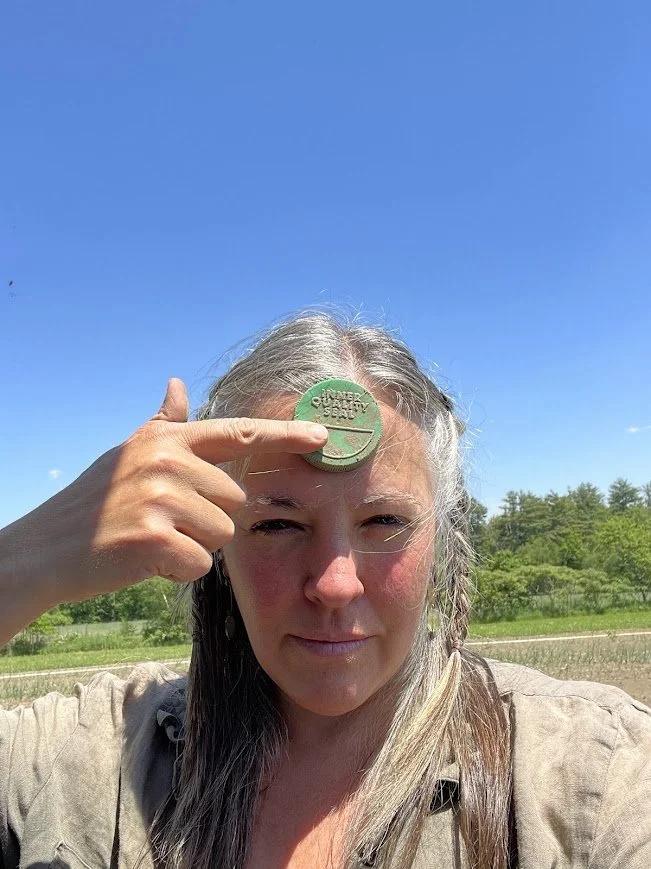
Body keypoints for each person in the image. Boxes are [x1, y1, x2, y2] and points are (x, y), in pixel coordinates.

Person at [0, 312, 649, 869]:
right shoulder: (89, 750)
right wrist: (25, 560)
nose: (335, 584)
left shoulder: (589, 774)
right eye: (278, 524)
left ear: (442, 541)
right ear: (218, 549)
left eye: (384, 521)